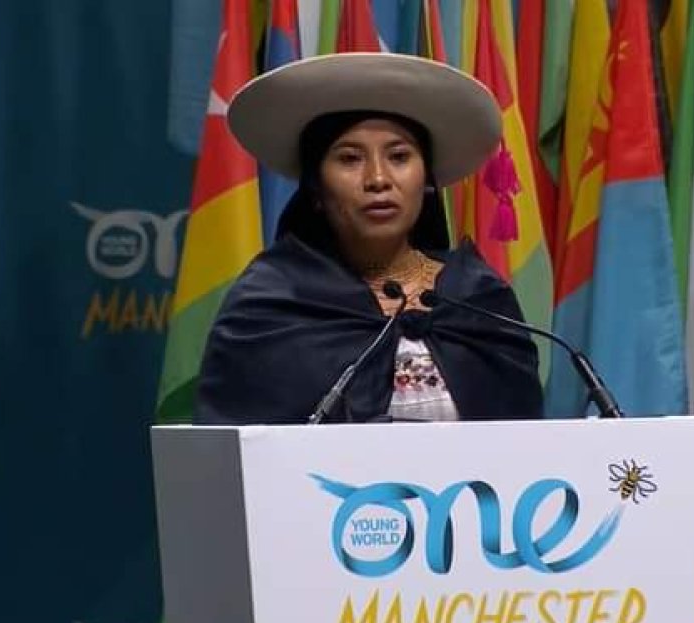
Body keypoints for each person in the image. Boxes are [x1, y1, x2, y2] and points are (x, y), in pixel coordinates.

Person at [196, 52, 543, 424]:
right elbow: (240, 457)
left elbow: (525, 448)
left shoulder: (478, 297)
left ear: (425, 180)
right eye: (349, 159)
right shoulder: (271, 304)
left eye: (399, 156)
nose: (378, 179)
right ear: (314, 188)